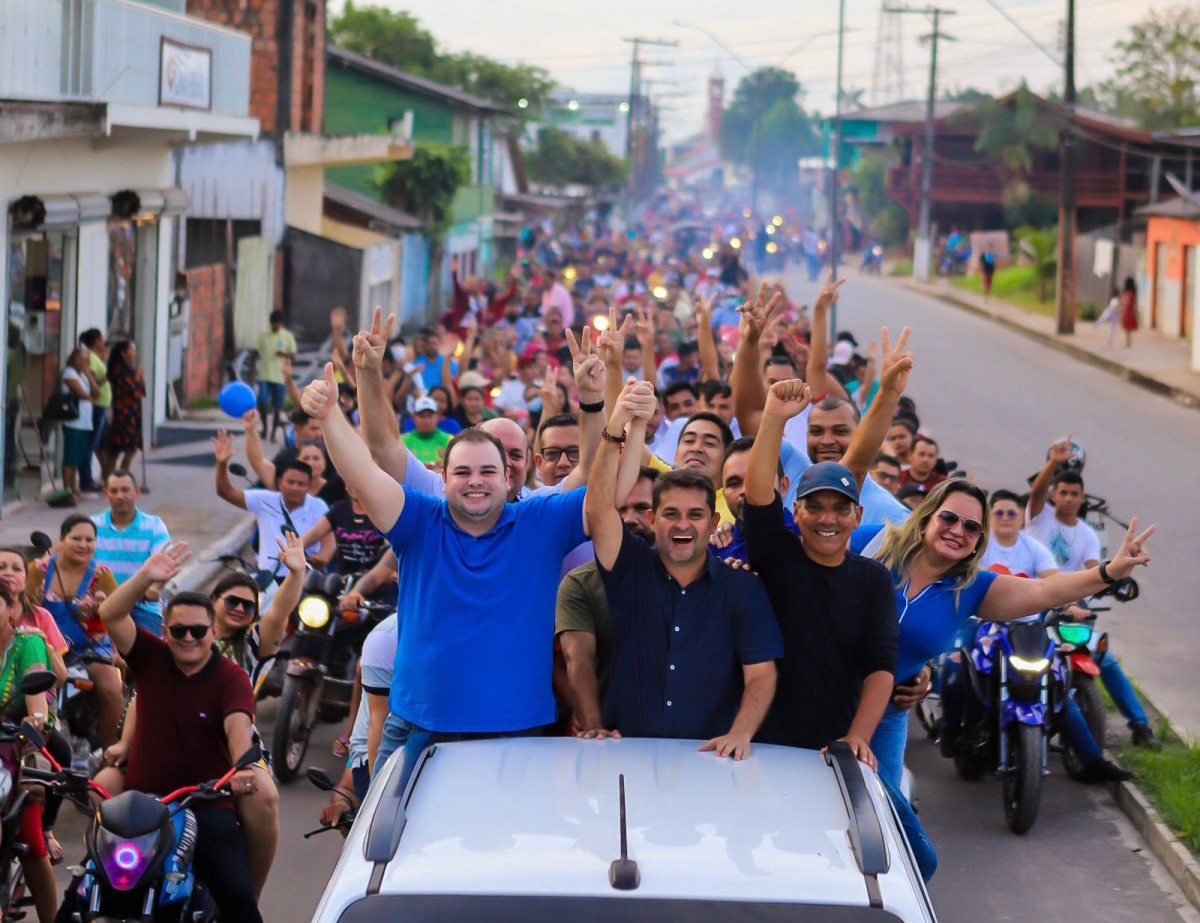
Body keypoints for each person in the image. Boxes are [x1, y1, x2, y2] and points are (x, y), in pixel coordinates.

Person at [300, 361, 591, 780]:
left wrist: (597, 401)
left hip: (515, 734)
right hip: (418, 728)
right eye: (464, 472)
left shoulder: (541, 522)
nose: (476, 481)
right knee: (388, 845)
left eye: (489, 471)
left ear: (509, 476)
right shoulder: (418, 520)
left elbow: (596, 479)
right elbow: (364, 472)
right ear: (443, 476)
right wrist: (330, 416)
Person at [871, 479, 1155, 803]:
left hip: (894, 705)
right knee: (953, 668)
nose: (957, 530)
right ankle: (950, 730)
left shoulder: (974, 584)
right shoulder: (874, 546)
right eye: (948, 518)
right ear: (927, 517)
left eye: (971, 527)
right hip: (834, 691)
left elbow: (1047, 589)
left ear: (981, 537)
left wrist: (1111, 571)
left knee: (1057, 677)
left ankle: (1092, 758)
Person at [584, 380, 782, 754]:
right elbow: (597, 510)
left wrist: (741, 734)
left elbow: (761, 675)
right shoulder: (629, 568)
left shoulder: (742, 587)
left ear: (712, 523)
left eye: (695, 515)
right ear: (653, 519)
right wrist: (617, 426)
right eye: (671, 514)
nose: (682, 525)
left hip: (711, 762)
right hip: (627, 757)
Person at [93, 545, 264, 923]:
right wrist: (145, 577)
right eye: (179, 630)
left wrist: (242, 769)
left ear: (214, 631)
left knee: (239, 899)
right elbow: (110, 612)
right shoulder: (149, 655)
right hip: (141, 807)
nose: (189, 638)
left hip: (204, 805)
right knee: (86, 890)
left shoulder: (231, 677)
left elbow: (239, 726)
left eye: (199, 630)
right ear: (165, 631)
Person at [1027, 438, 1157, 748]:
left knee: (1104, 657)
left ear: (1082, 497)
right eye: (1063, 493)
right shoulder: (1038, 517)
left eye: (1074, 494)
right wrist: (1053, 464)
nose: (1069, 498)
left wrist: (1117, 577)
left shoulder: (1086, 533)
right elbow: (1036, 491)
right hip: (1033, 602)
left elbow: (1093, 568)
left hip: (1071, 605)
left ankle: (1140, 726)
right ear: (1052, 496)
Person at [555, 467, 657, 734]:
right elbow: (577, 658)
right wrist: (594, 726)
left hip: (678, 740)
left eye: (642, 508)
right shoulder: (579, 583)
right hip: (604, 737)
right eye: (618, 510)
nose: (630, 519)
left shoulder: (688, 577)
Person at [26, 514, 122, 747]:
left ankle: (110, 753)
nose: (83, 544)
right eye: (76, 538)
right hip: (45, 648)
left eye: (89, 540)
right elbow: (24, 608)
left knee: (112, 690)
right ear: (61, 540)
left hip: (91, 650)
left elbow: (117, 616)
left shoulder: (102, 575)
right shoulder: (38, 569)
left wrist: (118, 654)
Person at [0, 581, 58, 923]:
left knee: (32, 842)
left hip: (13, 747)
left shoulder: (29, 643)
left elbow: (38, 709)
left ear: (11, 609)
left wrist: (34, 722)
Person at [213, 433, 328, 576]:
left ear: (309, 486)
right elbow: (225, 492)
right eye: (290, 482)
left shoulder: (320, 506)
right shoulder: (264, 499)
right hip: (266, 579)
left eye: (301, 484)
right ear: (280, 482)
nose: (295, 488)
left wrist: (323, 556)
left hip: (303, 579)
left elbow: (328, 539)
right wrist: (221, 464)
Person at [91, 469, 171, 636]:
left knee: (150, 653)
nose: (120, 496)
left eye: (125, 490)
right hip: (100, 605)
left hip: (142, 606)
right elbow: (67, 548)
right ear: (106, 494)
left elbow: (166, 564)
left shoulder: (154, 525)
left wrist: (154, 588)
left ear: (137, 491)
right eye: (114, 491)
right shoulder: (93, 524)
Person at [299, 487, 387, 576]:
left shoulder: (383, 513)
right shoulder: (339, 509)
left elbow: (391, 550)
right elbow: (311, 535)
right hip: (342, 581)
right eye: (349, 480)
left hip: (374, 580)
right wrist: (293, 550)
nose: (353, 485)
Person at [59, 346, 99, 499]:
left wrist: (88, 374)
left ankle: (73, 488)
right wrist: (91, 396)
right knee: (70, 456)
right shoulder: (69, 373)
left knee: (77, 457)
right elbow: (83, 395)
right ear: (73, 359)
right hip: (73, 421)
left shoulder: (83, 375)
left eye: (86, 359)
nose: (83, 362)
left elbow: (96, 393)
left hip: (85, 421)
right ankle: (66, 489)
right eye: (80, 358)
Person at [78, 329, 112, 491]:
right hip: (96, 404)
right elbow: (91, 381)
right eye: (101, 338)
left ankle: (92, 477)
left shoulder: (96, 357)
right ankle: (86, 479)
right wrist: (108, 376)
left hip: (101, 404)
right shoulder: (90, 357)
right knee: (90, 443)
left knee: (95, 442)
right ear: (97, 339)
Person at [255, 310, 296, 442]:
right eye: (273, 324)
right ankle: (265, 427)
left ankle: (273, 432)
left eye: (277, 324)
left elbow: (293, 356)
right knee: (262, 401)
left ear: (281, 323)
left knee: (277, 407)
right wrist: (250, 373)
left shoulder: (287, 336)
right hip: (264, 375)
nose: (275, 326)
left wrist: (283, 355)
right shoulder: (263, 336)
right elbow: (255, 353)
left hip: (279, 377)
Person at [104, 339, 145, 471]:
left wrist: (139, 377)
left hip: (132, 414)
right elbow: (133, 391)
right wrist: (137, 376)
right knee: (122, 449)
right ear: (123, 353)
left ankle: (119, 476)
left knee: (129, 449)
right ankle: (114, 477)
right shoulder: (119, 370)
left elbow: (142, 390)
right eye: (132, 350)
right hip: (124, 415)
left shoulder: (129, 370)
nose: (135, 353)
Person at [401, 396, 451, 468]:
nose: (426, 420)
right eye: (422, 416)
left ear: (437, 416)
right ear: (414, 417)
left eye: (430, 416)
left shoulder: (449, 440)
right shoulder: (402, 441)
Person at [1119, 276, 1138, 348]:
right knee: (1127, 329)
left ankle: (1128, 343)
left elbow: (1128, 302)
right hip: (1129, 311)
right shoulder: (1132, 292)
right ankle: (1128, 342)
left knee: (1128, 328)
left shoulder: (1130, 293)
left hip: (1128, 312)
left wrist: (1123, 301)